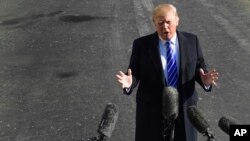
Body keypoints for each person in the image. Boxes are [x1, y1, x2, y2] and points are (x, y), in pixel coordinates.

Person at [116, 4, 219, 141]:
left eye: (168, 22)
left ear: (177, 20)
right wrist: (129, 83)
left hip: (185, 108)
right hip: (153, 110)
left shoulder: (191, 41)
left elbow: (199, 69)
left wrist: (205, 82)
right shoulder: (141, 45)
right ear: (154, 23)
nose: (165, 27)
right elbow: (134, 73)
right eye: (160, 23)